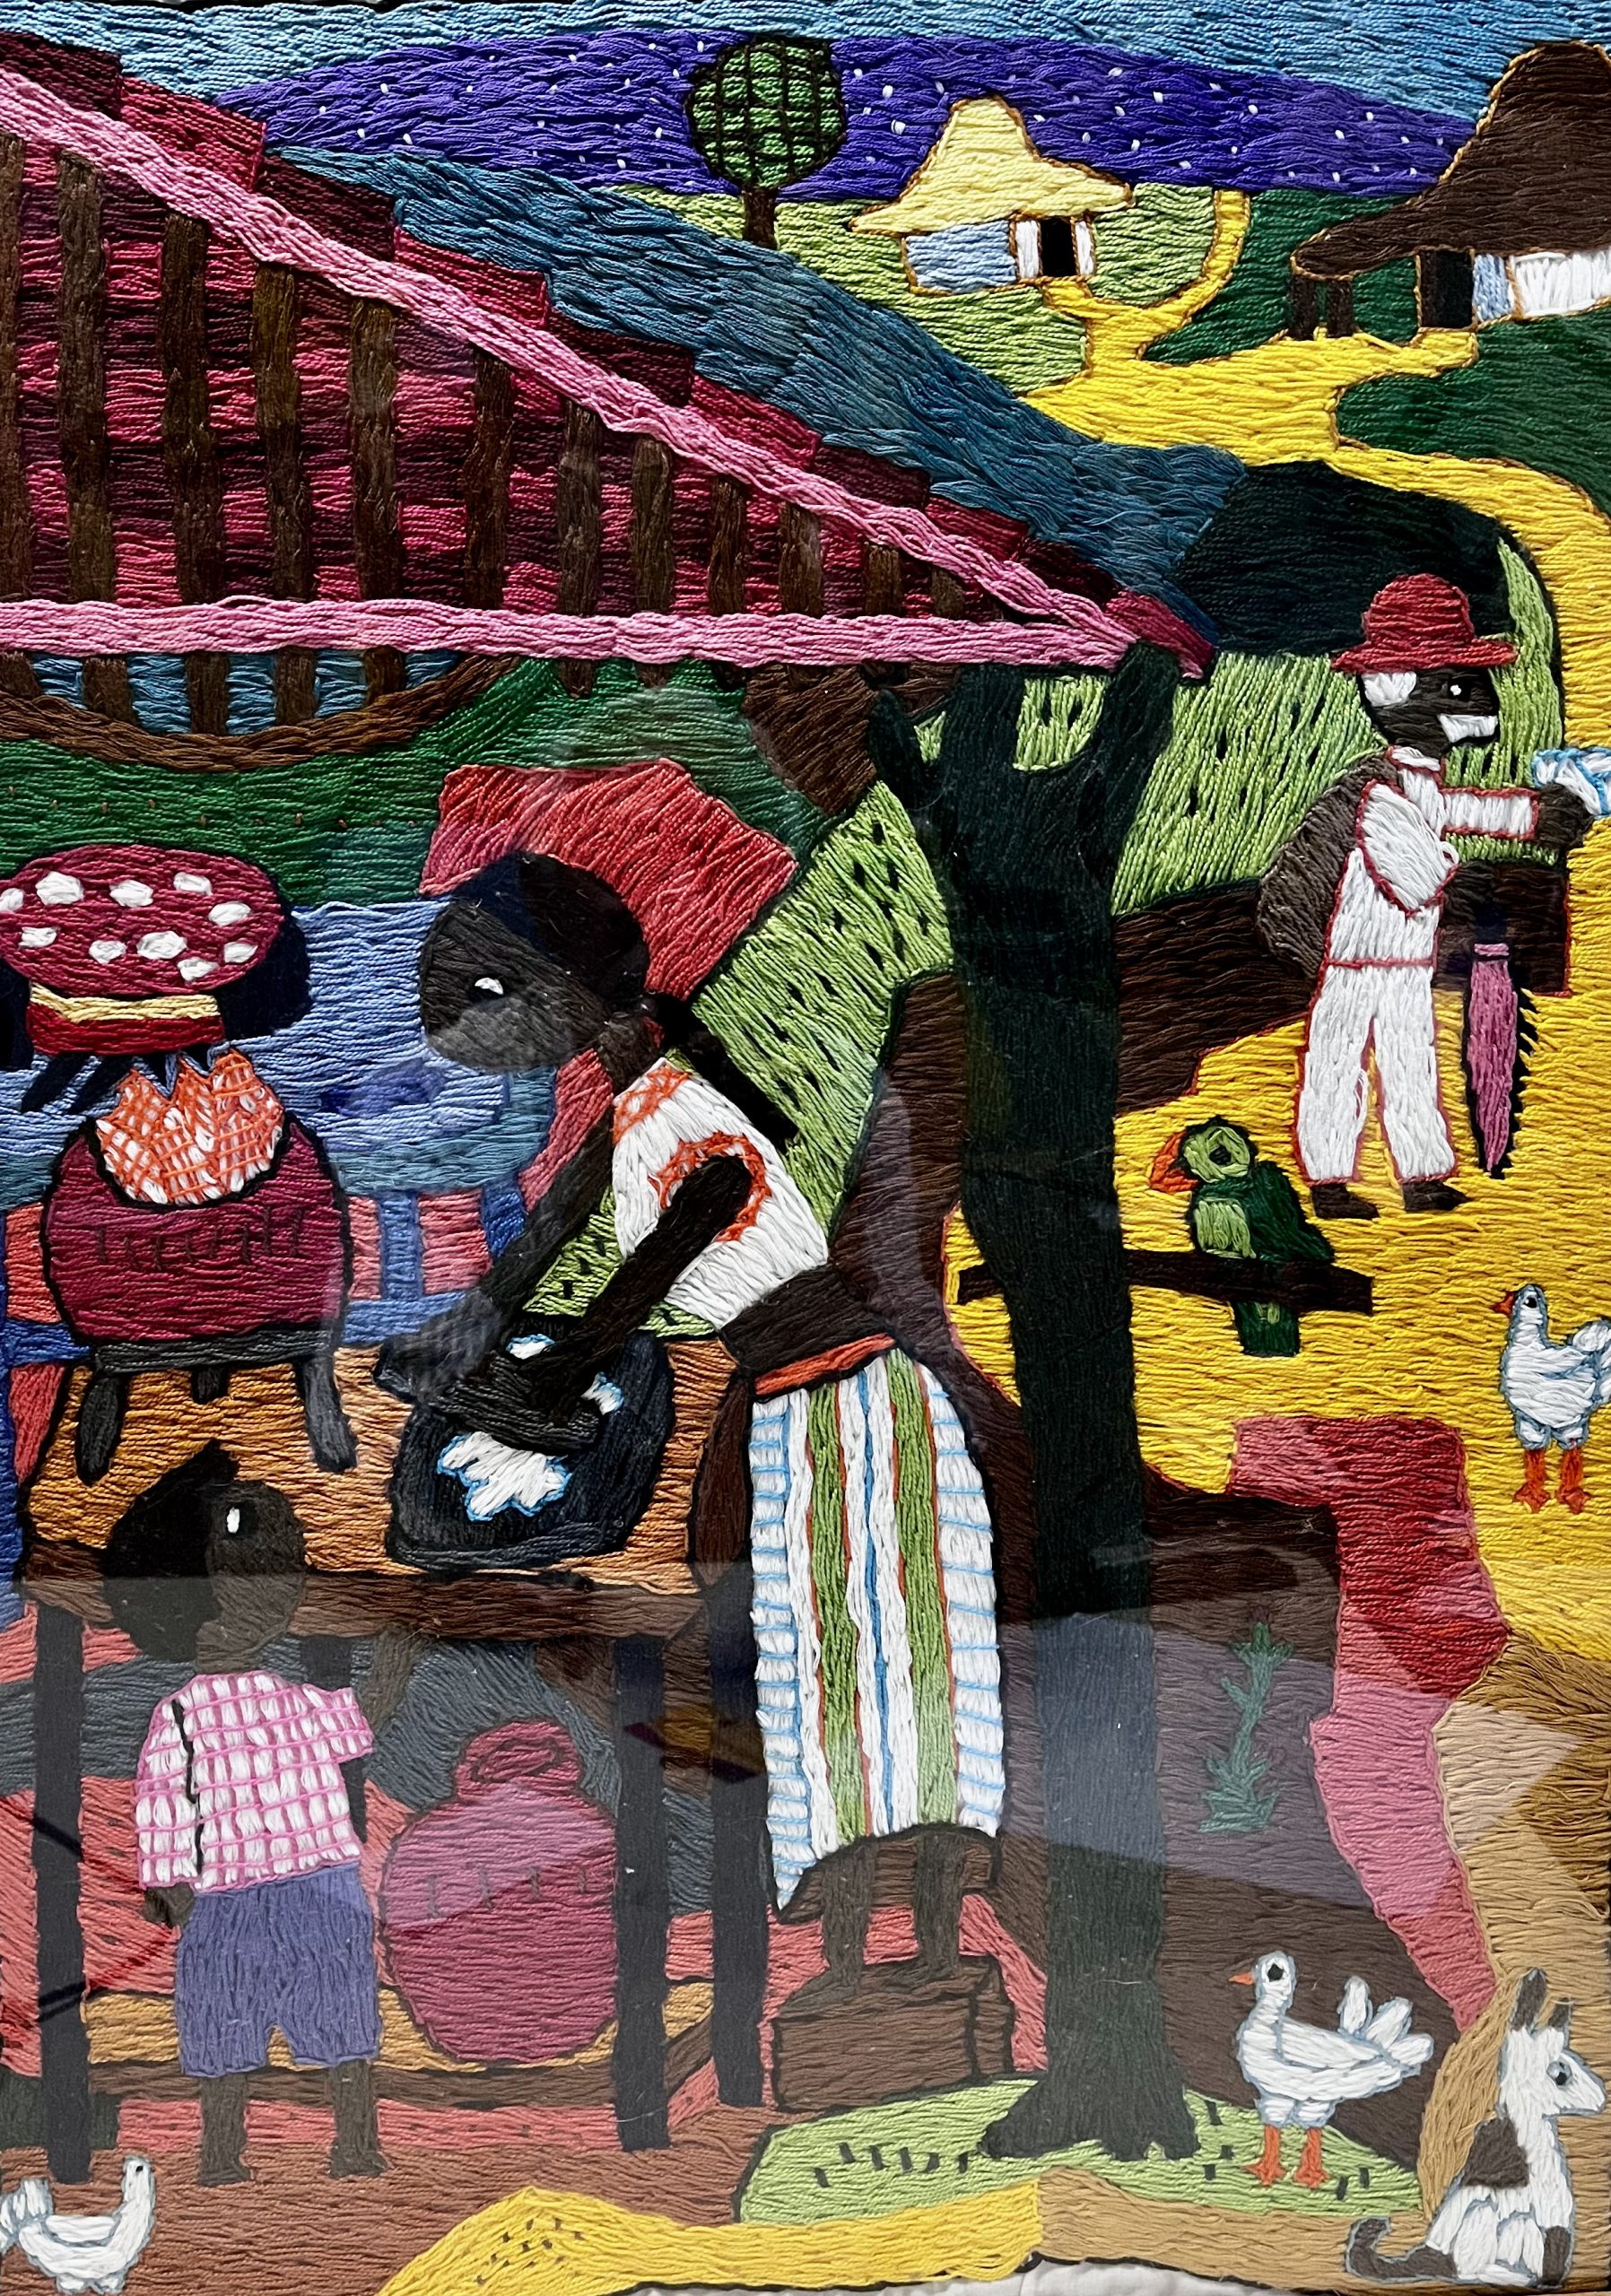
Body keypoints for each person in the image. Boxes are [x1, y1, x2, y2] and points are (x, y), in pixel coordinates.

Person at [378, 850, 1006, 1989]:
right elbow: (562, 1228)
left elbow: (664, 1254)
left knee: (895, 1659)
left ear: (559, 992)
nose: (468, 1028)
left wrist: (554, 1378)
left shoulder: (683, 1120)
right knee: (822, 1665)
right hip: (799, 1409)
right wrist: (469, 1330)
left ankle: (930, 1942)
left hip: (855, 1409)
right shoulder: (642, 1102)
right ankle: (859, 1948)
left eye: (484, 995)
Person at [108, 1443, 419, 2184]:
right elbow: (163, 1802)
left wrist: (396, 1664)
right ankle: (228, 2154)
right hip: (252, 1894)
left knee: (332, 2019)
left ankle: (346, 2145)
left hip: (308, 1886)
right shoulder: (186, 1716)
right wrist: (167, 1879)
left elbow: (354, 1727)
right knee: (232, 2026)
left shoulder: (270, 1704)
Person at [1293, 575, 1588, 1219]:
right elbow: (1415, 872)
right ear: (1397, 689)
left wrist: (1534, 815)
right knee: (1338, 1060)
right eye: (1457, 687)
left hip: (1406, 958)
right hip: (1356, 958)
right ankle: (1330, 1178)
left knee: (1410, 1058)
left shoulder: (1417, 781)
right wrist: (1464, 874)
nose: (1482, 704)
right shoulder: (1378, 790)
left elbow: (1455, 810)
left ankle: (1421, 1173)